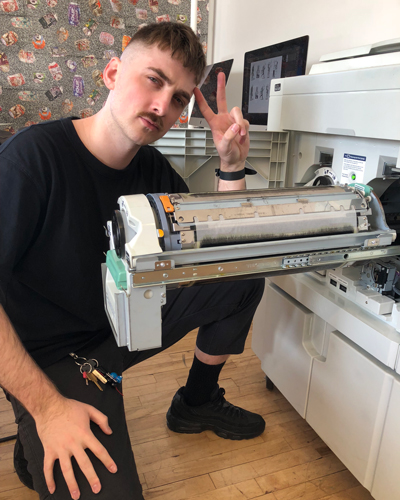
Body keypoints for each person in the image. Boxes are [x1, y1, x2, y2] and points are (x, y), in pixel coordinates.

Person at [0, 22, 265, 500]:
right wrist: (47, 409)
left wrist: (230, 164)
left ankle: (196, 402)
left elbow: (222, 254)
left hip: (125, 322)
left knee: (242, 280)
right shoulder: (30, 160)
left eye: (181, 97)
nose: (164, 107)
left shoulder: (153, 170)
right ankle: (35, 432)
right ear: (112, 72)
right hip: (53, 357)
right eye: (154, 80)